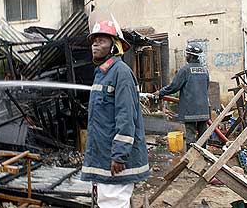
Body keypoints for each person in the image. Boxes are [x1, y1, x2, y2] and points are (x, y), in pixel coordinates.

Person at [81, 19, 149, 208]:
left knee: (113, 203)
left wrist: (119, 155)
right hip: (103, 155)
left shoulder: (121, 72)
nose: (95, 44)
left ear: (114, 46)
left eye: (102, 40)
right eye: (94, 40)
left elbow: (126, 117)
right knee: (108, 202)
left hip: (116, 159)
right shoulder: (102, 73)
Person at [155, 40, 210, 148]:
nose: (186, 56)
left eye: (187, 54)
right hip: (203, 109)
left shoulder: (185, 70)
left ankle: (191, 159)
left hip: (190, 110)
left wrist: (160, 93)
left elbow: (174, 87)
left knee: (190, 136)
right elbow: (206, 87)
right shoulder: (205, 70)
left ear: (190, 56)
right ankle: (205, 160)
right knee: (203, 137)